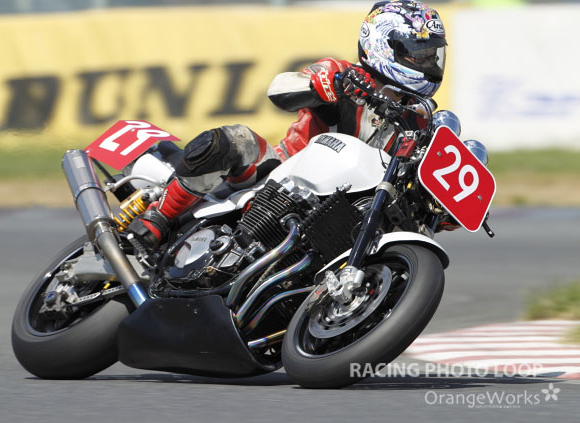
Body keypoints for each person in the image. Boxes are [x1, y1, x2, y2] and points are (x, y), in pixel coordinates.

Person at [130, 0, 448, 248]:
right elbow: (280, 90)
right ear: (384, 45)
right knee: (234, 140)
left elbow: (436, 215)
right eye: (419, 55)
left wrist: (443, 206)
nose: (429, 63)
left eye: (432, 55)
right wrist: (329, 85)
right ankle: (160, 217)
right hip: (283, 175)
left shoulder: (419, 122)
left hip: (345, 212)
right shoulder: (343, 73)